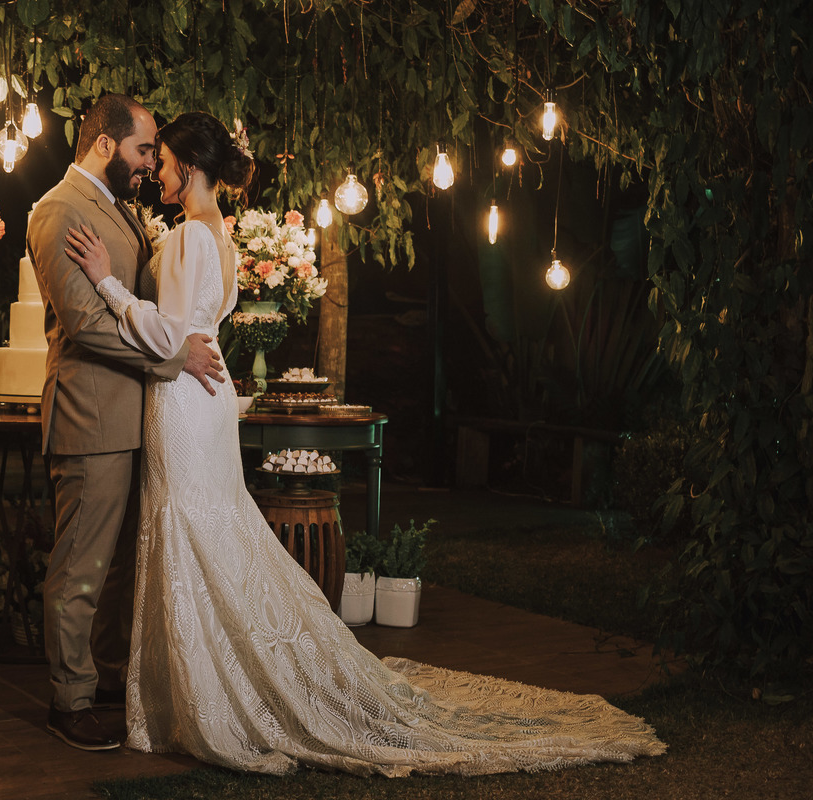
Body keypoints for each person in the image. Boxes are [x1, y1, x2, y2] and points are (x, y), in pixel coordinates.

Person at [64, 110, 667, 776]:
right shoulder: (221, 234)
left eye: (162, 160)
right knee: (211, 531)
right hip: (208, 397)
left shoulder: (185, 237)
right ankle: (204, 680)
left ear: (189, 164)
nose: (155, 169)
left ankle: (202, 695)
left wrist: (107, 281)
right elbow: (199, 324)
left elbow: (168, 335)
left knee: (189, 530)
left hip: (182, 397)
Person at [26, 94, 224, 752]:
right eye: (143, 150)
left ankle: (110, 676)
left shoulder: (115, 207)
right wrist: (173, 358)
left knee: (119, 568)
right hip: (91, 415)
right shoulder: (59, 210)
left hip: (140, 415)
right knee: (80, 567)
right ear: (105, 144)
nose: (148, 163)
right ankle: (70, 700)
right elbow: (84, 324)